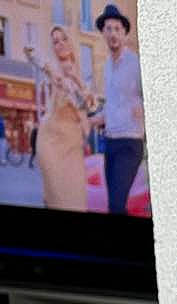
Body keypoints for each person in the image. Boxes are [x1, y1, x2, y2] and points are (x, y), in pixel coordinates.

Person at [91, 5, 143, 215]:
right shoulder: (106, 68)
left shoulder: (136, 64)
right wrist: (92, 120)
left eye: (117, 29)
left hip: (130, 143)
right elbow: (112, 107)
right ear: (103, 33)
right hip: (110, 143)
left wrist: (144, 108)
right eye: (108, 29)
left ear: (124, 33)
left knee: (116, 204)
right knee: (114, 205)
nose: (112, 33)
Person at [35, 25, 93, 212]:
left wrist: (76, 79)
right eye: (55, 41)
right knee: (55, 198)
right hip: (50, 141)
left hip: (72, 145)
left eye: (63, 39)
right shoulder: (51, 67)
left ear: (71, 41)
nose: (60, 44)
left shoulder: (81, 72)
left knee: (75, 199)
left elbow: (89, 106)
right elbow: (29, 51)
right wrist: (51, 72)